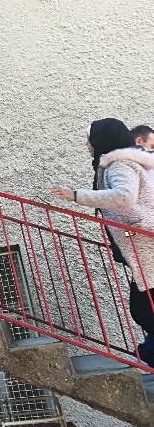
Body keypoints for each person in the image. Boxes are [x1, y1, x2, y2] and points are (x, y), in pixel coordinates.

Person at [51, 118, 154, 364]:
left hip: (144, 242)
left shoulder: (118, 164)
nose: (87, 145)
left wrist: (77, 196)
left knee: (143, 309)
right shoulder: (130, 162)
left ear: (101, 140)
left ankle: (149, 353)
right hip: (142, 243)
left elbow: (124, 197)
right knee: (144, 308)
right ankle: (149, 352)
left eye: (90, 140)